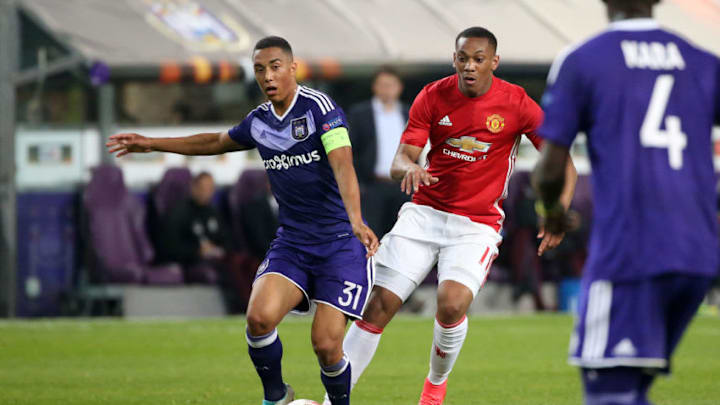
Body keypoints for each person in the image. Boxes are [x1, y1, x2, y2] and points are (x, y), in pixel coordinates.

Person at [107, 36, 379, 405]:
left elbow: (343, 164)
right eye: (259, 69)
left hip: (339, 242)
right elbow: (214, 142)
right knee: (259, 319)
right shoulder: (259, 121)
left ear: (293, 67)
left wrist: (356, 221)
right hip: (294, 243)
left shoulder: (320, 108)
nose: (267, 76)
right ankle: (276, 397)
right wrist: (153, 143)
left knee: (326, 344)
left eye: (275, 66)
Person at [329, 27, 578, 405]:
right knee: (377, 305)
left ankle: (433, 389)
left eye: (479, 59)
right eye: (463, 58)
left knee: (452, 302)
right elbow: (402, 157)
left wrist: (556, 210)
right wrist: (407, 169)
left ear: (494, 62)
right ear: (454, 60)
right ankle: (334, 400)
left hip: (476, 224)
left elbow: (561, 161)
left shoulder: (516, 102)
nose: (470, 66)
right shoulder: (432, 95)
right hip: (424, 213)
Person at [532, 0, 720, 403]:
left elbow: (549, 167)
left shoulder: (584, 59)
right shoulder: (703, 61)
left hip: (631, 251)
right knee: (634, 384)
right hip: (699, 254)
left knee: (610, 391)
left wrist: (551, 212)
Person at [348, 65, 411, 237]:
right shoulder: (360, 114)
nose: (387, 90)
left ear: (399, 87)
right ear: (374, 87)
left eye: (391, 85)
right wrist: (359, 184)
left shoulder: (408, 113)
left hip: (403, 187)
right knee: (372, 236)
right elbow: (351, 151)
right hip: (373, 186)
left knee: (402, 237)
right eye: (382, 85)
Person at [157, 171, 228, 283]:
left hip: (215, 260)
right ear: (193, 188)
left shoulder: (213, 212)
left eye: (210, 188)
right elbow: (169, 248)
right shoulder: (178, 213)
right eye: (202, 188)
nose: (206, 192)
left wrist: (217, 248)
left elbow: (226, 238)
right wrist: (197, 251)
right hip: (190, 262)